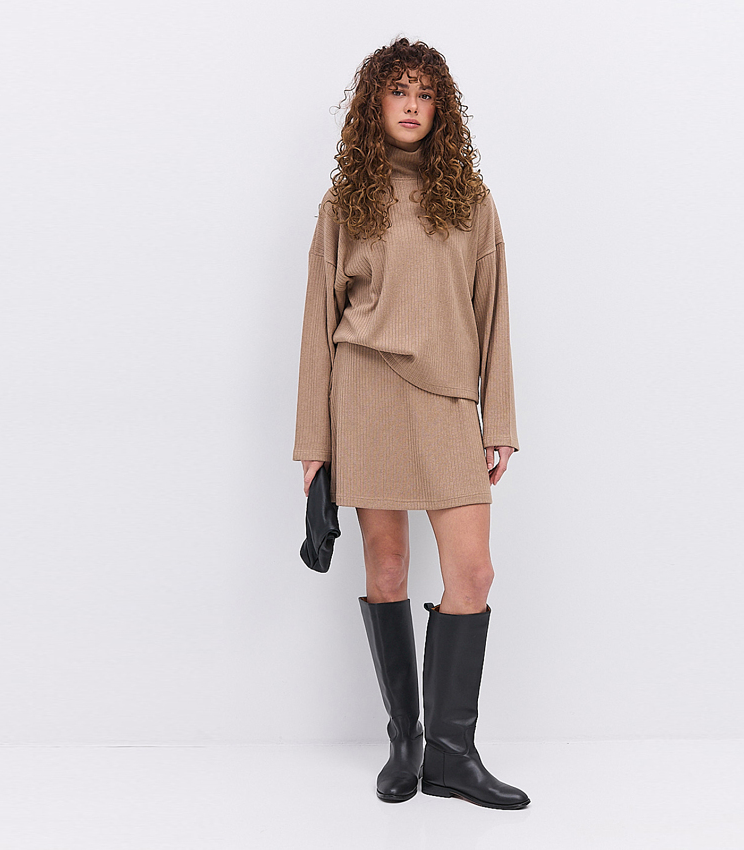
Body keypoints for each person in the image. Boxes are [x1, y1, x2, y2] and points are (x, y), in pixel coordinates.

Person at [292, 36, 530, 810]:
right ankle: (408, 743)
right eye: (399, 91)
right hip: (365, 394)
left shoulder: (471, 200)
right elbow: (317, 325)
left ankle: (454, 755)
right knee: (387, 569)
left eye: (426, 94)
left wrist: (498, 418)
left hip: (448, 402)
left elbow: (493, 313)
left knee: (473, 575)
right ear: (375, 104)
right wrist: (313, 443)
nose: (412, 105)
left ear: (441, 109)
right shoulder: (344, 204)